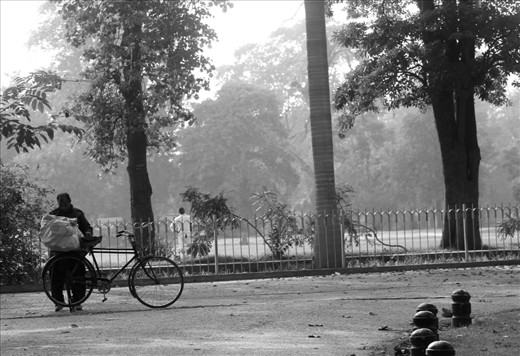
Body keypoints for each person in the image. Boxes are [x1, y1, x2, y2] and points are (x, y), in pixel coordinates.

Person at [49, 193, 93, 312]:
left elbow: (87, 227)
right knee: (56, 276)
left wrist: (88, 233)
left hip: (75, 250)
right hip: (58, 251)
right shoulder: (53, 215)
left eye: (65, 203)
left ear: (69, 202)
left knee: (78, 276)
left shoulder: (77, 214)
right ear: (58, 204)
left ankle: (77, 301)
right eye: (61, 204)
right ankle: (58, 301)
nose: (63, 206)